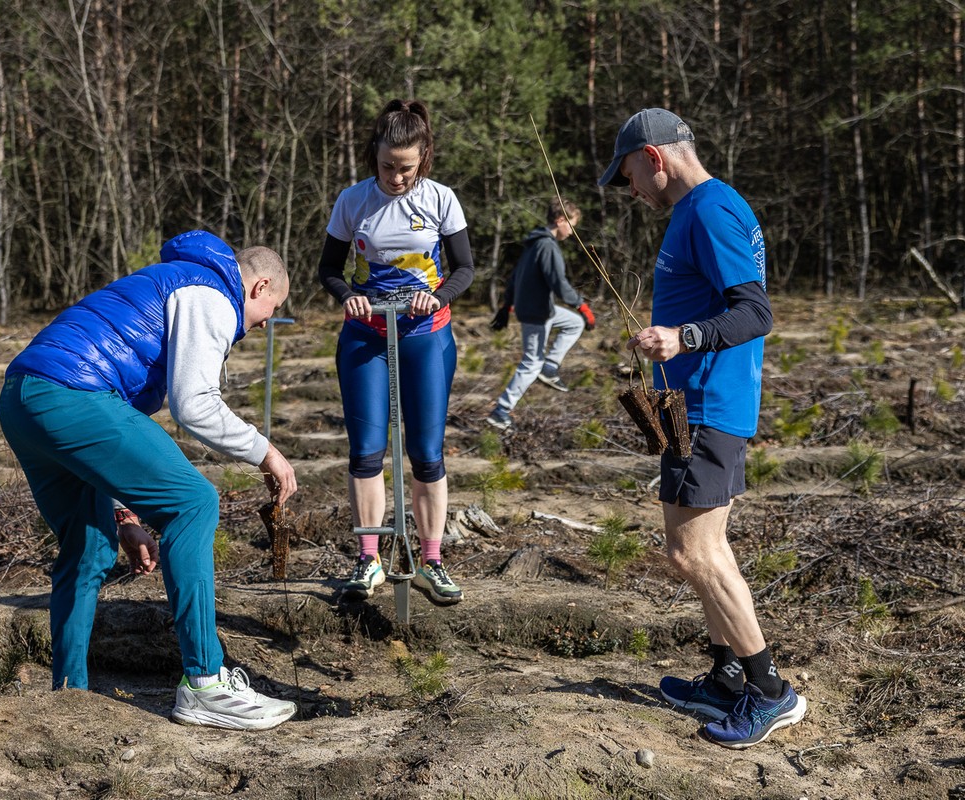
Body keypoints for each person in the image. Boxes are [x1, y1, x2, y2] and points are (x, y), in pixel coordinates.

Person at [0, 229, 299, 731]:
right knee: (194, 502)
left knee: (90, 547)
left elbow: (111, 436)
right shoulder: (212, 292)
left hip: (23, 399)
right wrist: (266, 452)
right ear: (260, 286)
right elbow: (194, 404)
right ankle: (206, 682)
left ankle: (67, 694)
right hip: (75, 393)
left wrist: (125, 515)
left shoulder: (170, 282)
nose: (264, 325)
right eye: (271, 312)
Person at [598, 108, 806, 748]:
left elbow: (755, 312)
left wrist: (681, 337)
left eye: (629, 173)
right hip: (698, 405)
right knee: (701, 549)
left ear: (654, 158)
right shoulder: (704, 209)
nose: (630, 189)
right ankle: (724, 677)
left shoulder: (711, 209)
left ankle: (771, 692)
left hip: (708, 407)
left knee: (693, 553)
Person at [318, 98, 475, 606]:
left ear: (424, 158)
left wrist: (439, 295)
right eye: (388, 166)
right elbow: (329, 270)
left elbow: (464, 269)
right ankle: (370, 560)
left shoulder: (441, 200)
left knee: (426, 454)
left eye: (407, 168)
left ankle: (432, 561)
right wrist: (348, 295)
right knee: (366, 451)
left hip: (425, 333)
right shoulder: (353, 201)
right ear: (374, 156)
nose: (397, 177)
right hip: (365, 335)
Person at [486, 198, 596, 431]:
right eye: (572, 225)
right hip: (536, 313)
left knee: (573, 324)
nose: (572, 232)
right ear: (560, 220)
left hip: (542, 309)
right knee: (531, 363)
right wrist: (582, 306)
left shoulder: (534, 243)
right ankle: (501, 411)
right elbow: (559, 283)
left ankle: (550, 366)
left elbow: (514, 276)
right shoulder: (546, 246)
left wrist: (507, 306)